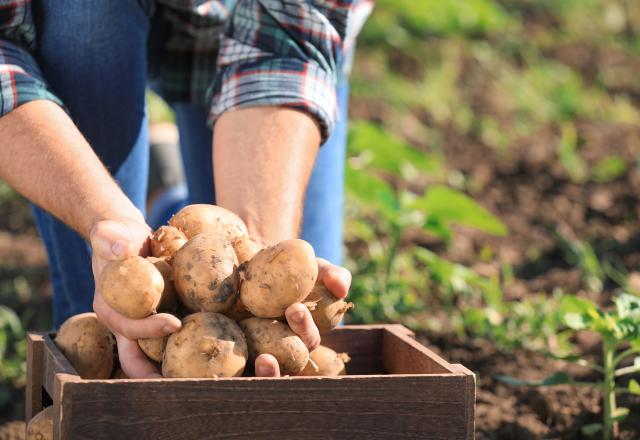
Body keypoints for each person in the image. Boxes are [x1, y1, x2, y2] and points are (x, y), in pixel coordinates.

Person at [0, 0, 373, 378]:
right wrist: (104, 220)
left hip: (266, 28)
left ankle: (165, 191)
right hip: (97, 24)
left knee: (314, 318)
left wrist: (260, 245)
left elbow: (288, 41)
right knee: (107, 333)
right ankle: (145, 198)